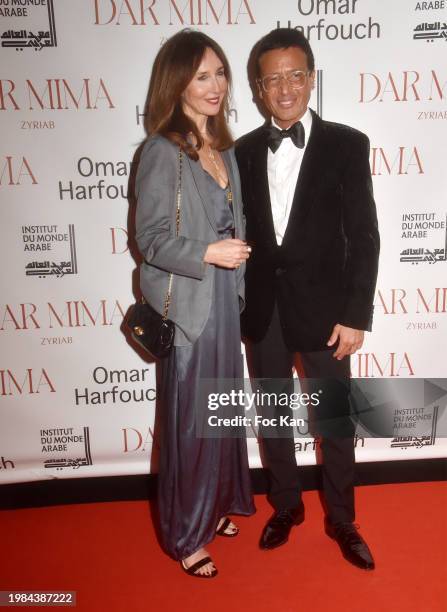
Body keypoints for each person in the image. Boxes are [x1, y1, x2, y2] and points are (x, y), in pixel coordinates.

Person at [235, 28, 380, 570]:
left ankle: (342, 517)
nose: (286, 87)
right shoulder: (242, 152)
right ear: (258, 87)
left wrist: (355, 314)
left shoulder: (348, 144)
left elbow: (364, 235)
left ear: (312, 78)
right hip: (265, 311)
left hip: (327, 313)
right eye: (273, 79)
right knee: (272, 415)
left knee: (334, 422)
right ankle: (286, 505)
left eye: (296, 75)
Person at [135, 29, 255, 578]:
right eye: (201, 75)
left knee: (222, 414)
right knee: (190, 423)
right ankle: (186, 532)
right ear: (176, 83)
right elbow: (151, 238)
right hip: (190, 308)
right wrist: (208, 250)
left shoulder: (223, 149)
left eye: (220, 73)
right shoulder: (161, 151)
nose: (215, 85)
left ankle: (214, 508)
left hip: (226, 303)